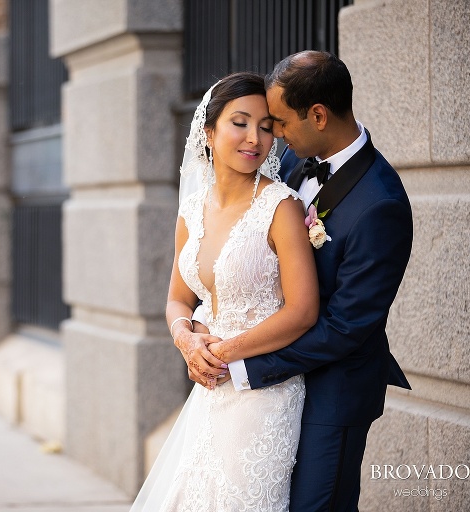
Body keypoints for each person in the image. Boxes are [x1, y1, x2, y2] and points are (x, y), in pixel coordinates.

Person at [196, 51, 414, 511]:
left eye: (277, 121)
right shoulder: (294, 170)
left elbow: (347, 325)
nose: (271, 134)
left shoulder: (381, 204)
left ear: (318, 115)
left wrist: (243, 362)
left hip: (333, 392)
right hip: (275, 392)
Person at [130, 72, 320, 510]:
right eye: (240, 122)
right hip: (210, 387)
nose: (255, 137)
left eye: (267, 126)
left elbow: (303, 311)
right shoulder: (192, 209)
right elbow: (179, 298)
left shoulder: (282, 207)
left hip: (264, 392)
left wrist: (223, 353)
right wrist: (186, 340)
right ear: (209, 130)